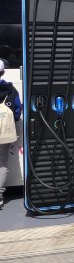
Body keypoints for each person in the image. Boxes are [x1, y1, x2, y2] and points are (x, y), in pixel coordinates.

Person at [0, 59, 21, 209]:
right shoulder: (11, 90)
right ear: (3, 72)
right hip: (4, 133)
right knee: (2, 163)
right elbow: (17, 112)